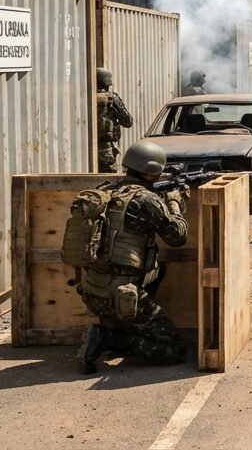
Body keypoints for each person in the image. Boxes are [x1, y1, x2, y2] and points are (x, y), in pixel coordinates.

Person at [72, 140, 189, 374]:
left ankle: (116, 329)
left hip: (91, 290)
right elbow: (177, 237)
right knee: (174, 350)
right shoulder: (146, 200)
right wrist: (174, 203)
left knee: (158, 268)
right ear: (152, 170)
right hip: (121, 296)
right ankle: (108, 339)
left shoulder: (105, 191)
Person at [97, 67, 133, 173]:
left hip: (85, 150)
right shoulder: (111, 98)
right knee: (109, 178)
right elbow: (128, 122)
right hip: (106, 148)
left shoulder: (84, 96)